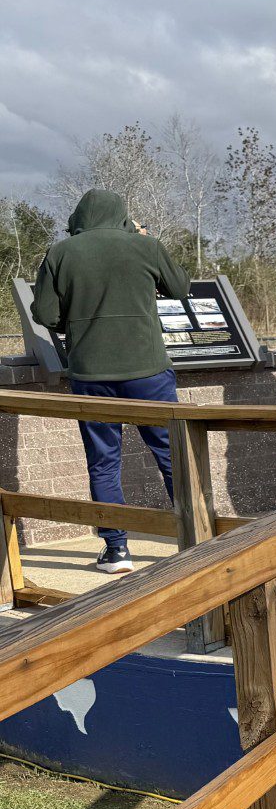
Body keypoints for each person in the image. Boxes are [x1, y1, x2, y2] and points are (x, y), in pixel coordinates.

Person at [29, 189, 191, 574]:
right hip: (148, 371)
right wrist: (144, 236)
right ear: (122, 216)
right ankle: (194, 538)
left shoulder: (61, 253)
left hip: (91, 374)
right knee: (173, 458)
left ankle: (117, 550)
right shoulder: (145, 247)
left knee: (103, 462)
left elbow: (46, 314)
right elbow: (180, 288)